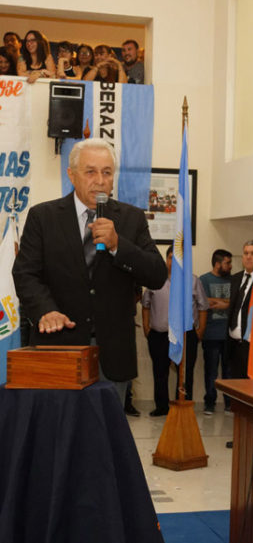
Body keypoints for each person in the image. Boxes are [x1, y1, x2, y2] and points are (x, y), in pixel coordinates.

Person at [12, 138, 167, 405]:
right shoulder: (43, 217)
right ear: (71, 175)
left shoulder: (131, 218)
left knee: (105, 429)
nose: (100, 181)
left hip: (113, 355)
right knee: (57, 426)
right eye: (90, 172)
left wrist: (118, 245)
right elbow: (25, 273)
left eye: (107, 172)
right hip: (59, 348)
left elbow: (157, 275)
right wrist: (46, 310)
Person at [141, 245, 209, 416]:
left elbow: (203, 307)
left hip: (185, 336)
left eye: (179, 258)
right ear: (166, 260)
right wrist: (146, 327)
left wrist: (200, 331)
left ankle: (183, 406)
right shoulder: (155, 281)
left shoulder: (193, 281)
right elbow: (145, 305)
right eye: (171, 257)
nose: (174, 261)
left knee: (185, 373)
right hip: (159, 335)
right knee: (160, 372)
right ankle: (161, 407)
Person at [226, 240, 253, 380]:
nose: (248, 257)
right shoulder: (235, 278)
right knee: (235, 386)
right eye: (246, 253)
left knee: (252, 386)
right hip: (233, 344)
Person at [200, 249, 233, 414]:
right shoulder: (204, 280)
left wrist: (224, 303)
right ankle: (210, 403)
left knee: (229, 372)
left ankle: (229, 403)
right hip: (210, 334)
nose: (231, 266)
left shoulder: (234, 280)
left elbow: (235, 301)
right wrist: (226, 302)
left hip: (229, 335)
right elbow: (204, 302)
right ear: (218, 264)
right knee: (211, 371)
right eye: (227, 263)